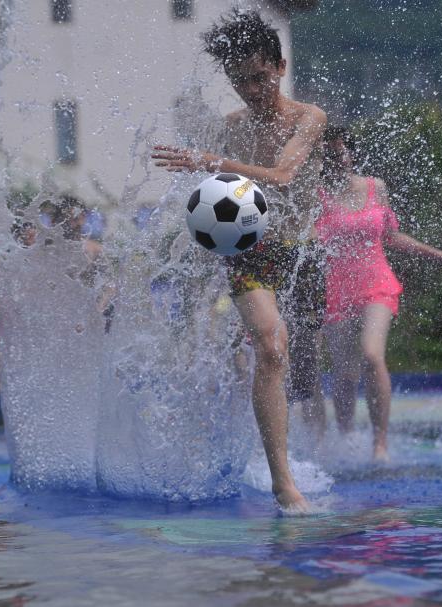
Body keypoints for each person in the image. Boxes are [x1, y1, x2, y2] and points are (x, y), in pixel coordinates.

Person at [152, 9, 327, 514]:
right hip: (251, 251)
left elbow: (284, 175)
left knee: (303, 369)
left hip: (303, 252)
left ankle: (310, 448)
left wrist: (211, 161)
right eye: (240, 80)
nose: (251, 90)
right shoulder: (231, 128)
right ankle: (283, 482)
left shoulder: (308, 117)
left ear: (281, 67)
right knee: (271, 347)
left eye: (260, 77)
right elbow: (215, 196)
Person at [312, 126, 442, 460]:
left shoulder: (375, 187)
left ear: (350, 154)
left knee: (372, 355)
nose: (337, 158)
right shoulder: (315, 195)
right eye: (329, 154)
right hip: (334, 290)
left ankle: (379, 444)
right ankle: (346, 438)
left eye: (341, 151)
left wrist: (438, 254)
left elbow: (391, 237)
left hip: (377, 283)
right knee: (345, 372)